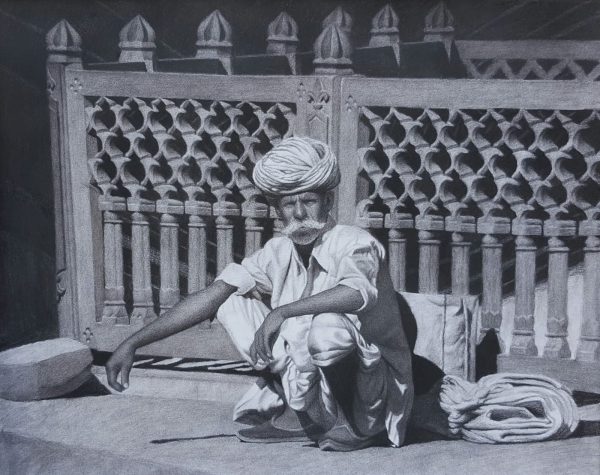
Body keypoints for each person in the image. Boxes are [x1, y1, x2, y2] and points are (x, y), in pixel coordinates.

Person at [106, 137, 413, 451]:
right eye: (288, 204)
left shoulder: (355, 241)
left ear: (328, 200)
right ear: (277, 209)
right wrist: (134, 343)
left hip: (370, 390)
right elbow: (212, 295)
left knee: (327, 329)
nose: (298, 213)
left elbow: (356, 294)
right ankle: (305, 416)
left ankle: (353, 428)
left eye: (308, 201)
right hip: (313, 384)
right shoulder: (278, 251)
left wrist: (282, 312)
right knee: (229, 300)